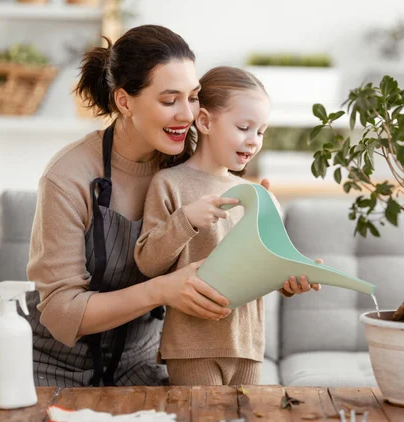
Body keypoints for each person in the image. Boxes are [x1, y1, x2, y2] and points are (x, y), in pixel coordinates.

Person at [26, 25, 236, 387]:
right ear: (124, 101)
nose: (187, 115)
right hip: (51, 368)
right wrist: (162, 290)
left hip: (140, 368)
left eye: (193, 97)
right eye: (169, 101)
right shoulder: (68, 175)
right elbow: (61, 311)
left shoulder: (188, 165)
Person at [134, 66, 321, 386]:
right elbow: (148, 263)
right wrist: (186, 219)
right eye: (244, 127)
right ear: (205, 122)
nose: (253, 141)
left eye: (261, 131)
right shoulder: (170, 184)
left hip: (248, 346)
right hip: (191, 348)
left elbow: (262, 270)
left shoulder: (259, 196)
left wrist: (290, 279)